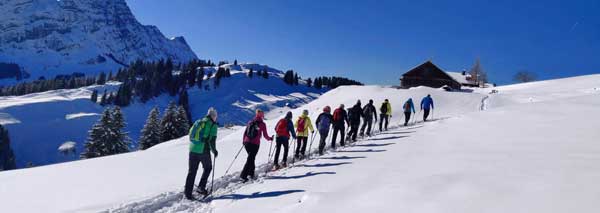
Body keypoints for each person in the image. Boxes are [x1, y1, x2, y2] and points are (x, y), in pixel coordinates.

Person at [184, 107, 219, 200]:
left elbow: (190, 133)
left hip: (192, 149)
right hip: (203, 150)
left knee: (192, 171)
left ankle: (187, 193)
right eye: (216, 116)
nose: (216, 118)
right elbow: (212, 141)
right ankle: (201, 187)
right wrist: (214, 151)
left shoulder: (199, 121)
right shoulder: (212, 125)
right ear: (213, 116)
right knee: (208, 168)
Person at [241, 109, 273, 182]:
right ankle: (243, 175)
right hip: (255, 143)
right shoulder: (262, 124)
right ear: (262, 115)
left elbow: (245, 132)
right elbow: (265, 135)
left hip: (246, 142)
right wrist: (270, 139)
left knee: (251, 158)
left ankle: (251, 174)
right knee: (250, 159)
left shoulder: (250, 122)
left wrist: (244, 141)